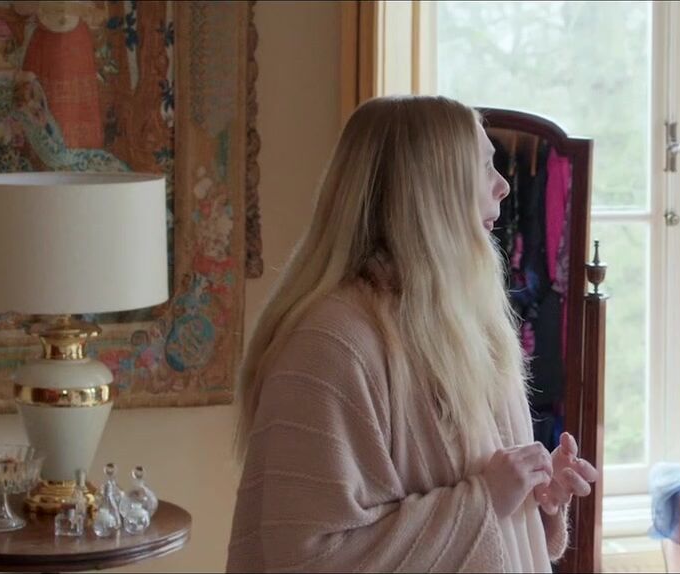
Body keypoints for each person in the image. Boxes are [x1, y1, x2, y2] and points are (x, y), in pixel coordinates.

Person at [227, 95, 598, 572]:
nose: (504, 186)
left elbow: (493, 508)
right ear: (430, 190)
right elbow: (309, 556)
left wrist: (538, 494)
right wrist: (485, 500)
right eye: (484, 167)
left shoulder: (465, 324)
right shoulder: (330, 345)